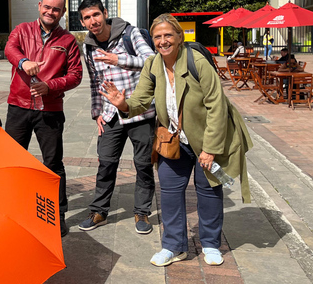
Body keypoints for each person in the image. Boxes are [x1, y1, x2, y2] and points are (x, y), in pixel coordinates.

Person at [101, 14, 252, 267]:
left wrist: (211, 149)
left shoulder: (197, 62)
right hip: (174, 140)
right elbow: (141, 99)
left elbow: (216, 105)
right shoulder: (152, 64)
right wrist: (123, 104)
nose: (163, 41)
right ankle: (174, 246)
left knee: (209, 192)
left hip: (206, 139)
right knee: (170, 193)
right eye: (158, 37)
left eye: (168, 35)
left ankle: (211, 244)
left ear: (179, 37)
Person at [4, 0, 83, 237]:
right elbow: (9, 48)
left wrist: (50, 86)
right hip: (18, 105)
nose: (51, 12)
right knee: (12, 163)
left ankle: (57, 216)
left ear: (62, 12)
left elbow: (75, 75)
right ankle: (12, 210)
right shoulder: (22, 29)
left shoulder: (68, 40)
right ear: (40, 6)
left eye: (56, 9)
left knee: (53, 165)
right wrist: (22, 62)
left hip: (49, 109)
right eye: (47, 7)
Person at [77, 0, 156, 235]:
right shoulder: (88, 45)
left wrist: (118, 59)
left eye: (96, 15)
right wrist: (97, 112)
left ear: (105, 13)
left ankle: (141, 213)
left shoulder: (130, 34)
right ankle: (99, 211)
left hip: (139, 111)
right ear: (82, 22)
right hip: (111, 114)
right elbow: (95, 82)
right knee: (106, 163)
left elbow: (152, 60)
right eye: (87, 18)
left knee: (142, 165)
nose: (93, 21)